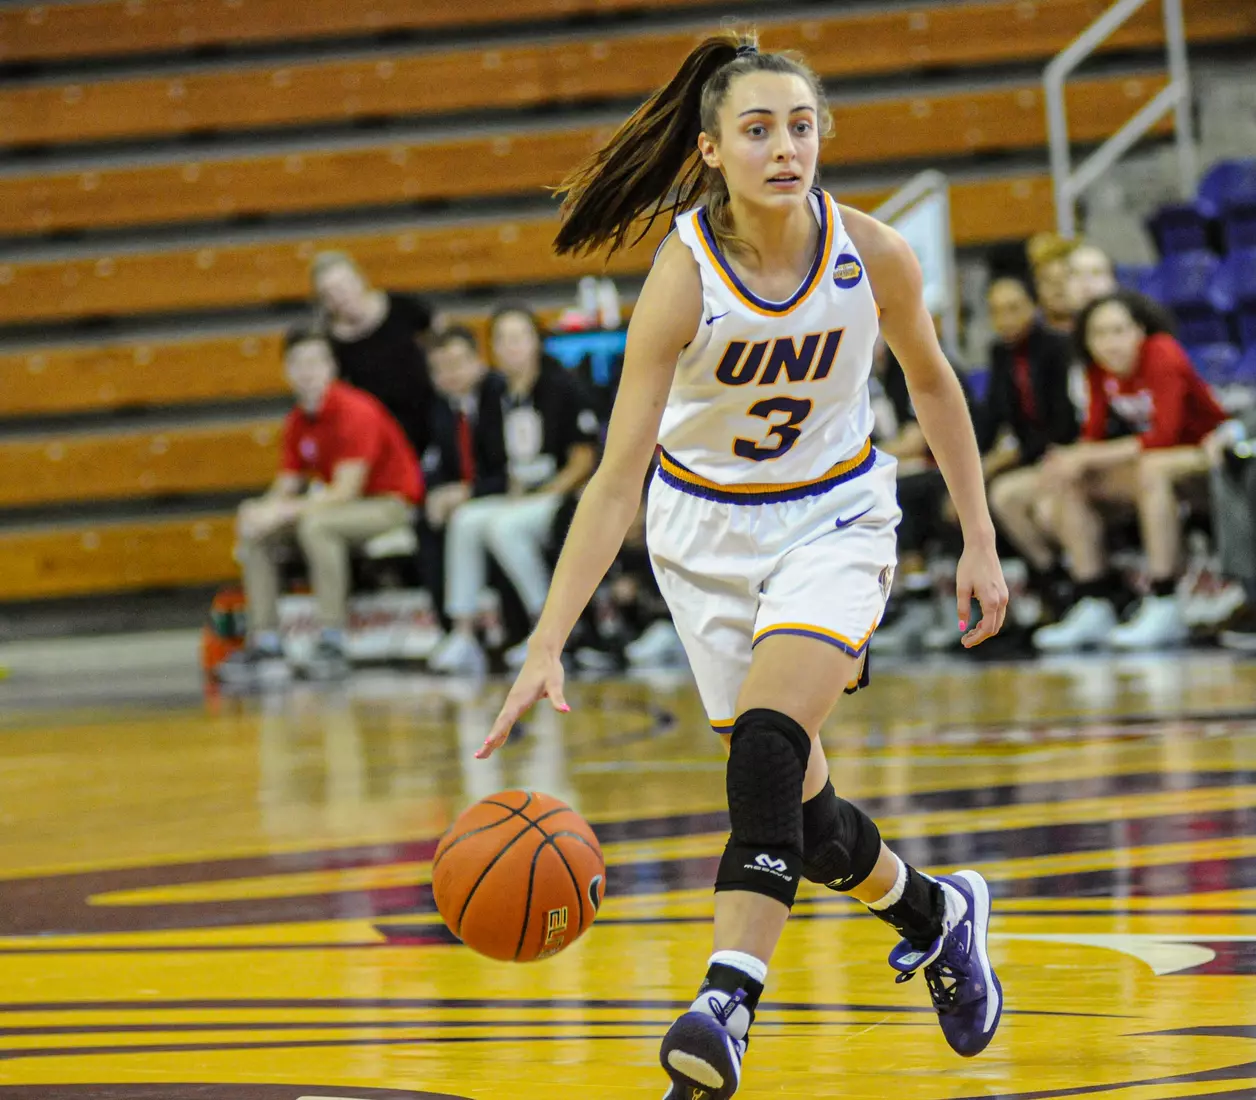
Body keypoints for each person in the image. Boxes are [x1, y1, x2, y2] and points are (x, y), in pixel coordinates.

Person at [474, 33, 1008, 1099]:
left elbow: (935, 389)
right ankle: (934, 912)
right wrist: (545, 641)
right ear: (710, 149)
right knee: (803, 822)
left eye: (800, 126)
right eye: (758, 130)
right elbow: (614, 478)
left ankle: (725, 999)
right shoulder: (681, 279)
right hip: (702, 537)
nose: (784, 148)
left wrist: (979, 540)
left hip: (836, 519)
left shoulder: (872, 253)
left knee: (764, 748)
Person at [220, 329, 423, 685]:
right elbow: (286, 486)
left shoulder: (355, 410)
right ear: (286, 370)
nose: (307, 371)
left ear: (331, 366)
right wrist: (260, 510)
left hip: (387, 504)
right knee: (259, 533)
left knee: (317, 525)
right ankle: (265, 639)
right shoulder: (299, 420)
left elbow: (346, 490)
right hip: (338, 506)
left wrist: (282, 511)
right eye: (298, 363)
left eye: (315, 361)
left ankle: (332, 638)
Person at [1033, 292, 1227, 652]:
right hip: (1158, 459)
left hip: (1210, 453)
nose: (1110, 343)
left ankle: (1165, 599)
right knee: (1073, 480)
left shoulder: (1162, 353)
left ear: (1139, 331)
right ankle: (1094, 600)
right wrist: (1070, 461)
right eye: (1100, 334)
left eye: (1119, 331)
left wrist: (1087, 455)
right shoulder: (1097, 369)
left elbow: (1164, 435)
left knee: (1149, 469)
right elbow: (1092, 434)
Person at [427, 305, 601, 675]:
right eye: (502, 340)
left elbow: (583, 459)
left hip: (560, 493)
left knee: (503, 527)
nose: (511, 348)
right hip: (519, 493)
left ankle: (550, 633)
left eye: (519, 337)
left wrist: (548, 491)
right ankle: (464, 633)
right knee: (466, 520)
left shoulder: (560, 385)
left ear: (536, 341)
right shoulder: (495, 393)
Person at [978, 275, 1079, 607]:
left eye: (1013, 308)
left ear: (1033, 307)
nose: (1005, 319)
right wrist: (971, 464)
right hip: (1031, 458)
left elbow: (1064, 423)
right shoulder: (999, 353)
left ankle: (1069, 583)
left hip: (1064, 452)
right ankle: (1048, 581)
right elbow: (992, 417)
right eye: (996, 311)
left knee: (1007, 496)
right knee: (979, 494)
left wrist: (1011, 457)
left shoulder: (1059, 347)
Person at [311, 251, 437, 456]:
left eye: (343, 286)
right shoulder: (330, 342)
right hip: (379, 435)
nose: (340, 297)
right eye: (329, 294)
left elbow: (442, 335)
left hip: (427, 414)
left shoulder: (401, 307)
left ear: (360, 280)